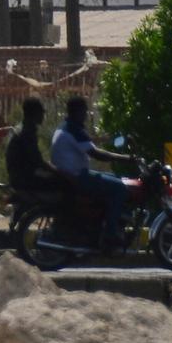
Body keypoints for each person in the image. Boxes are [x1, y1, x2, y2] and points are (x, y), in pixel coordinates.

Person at [50, 95, 135, 248]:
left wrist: (111, 139)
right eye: (84, 111)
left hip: (69, 175)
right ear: (77, 111)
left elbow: (90, 142)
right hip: (77, 177)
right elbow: (96, 154)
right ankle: (111, 234)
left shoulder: (65, 127)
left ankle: (103, 224)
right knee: (120, 187)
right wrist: (126, 158)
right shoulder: (74, 130)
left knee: (117, 178)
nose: (85, 115)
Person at [5, 96, 61, 198]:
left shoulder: (21, 128)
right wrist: (57, 171)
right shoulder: (27, 132)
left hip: (18, 176)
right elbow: (37, 161)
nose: (43, 116)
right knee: (63, 183)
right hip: (25, 179)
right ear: (35, 113)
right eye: (41, 112)